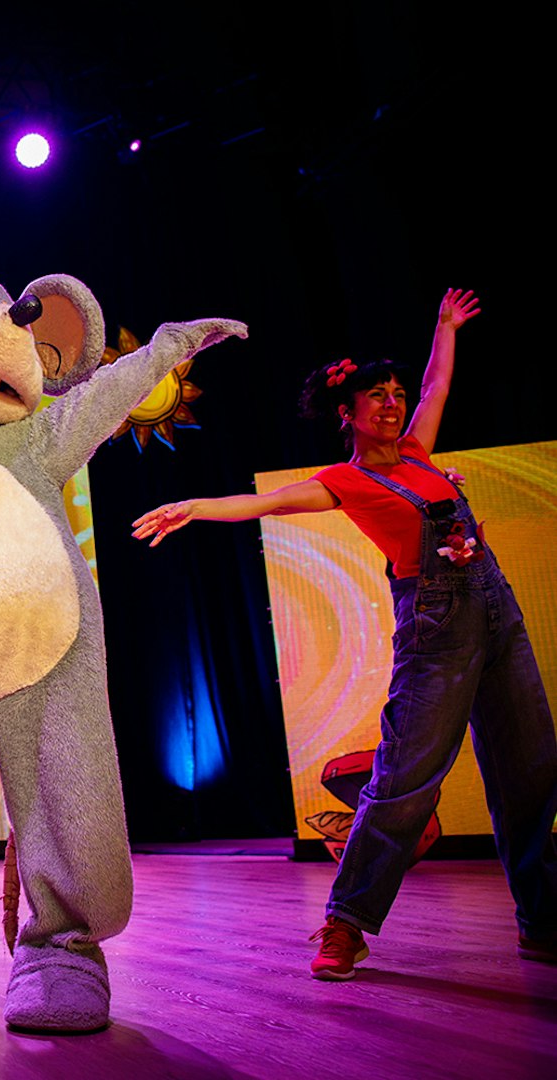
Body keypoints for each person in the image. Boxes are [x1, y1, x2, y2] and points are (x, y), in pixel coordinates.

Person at [133, 288, 557, 979]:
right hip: (438, 630)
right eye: (376, 397)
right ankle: (345, 924)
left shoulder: (420, 451)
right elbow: (261, 503)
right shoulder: (346, 480)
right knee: (405, 781)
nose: (391, 403)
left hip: (498, 616)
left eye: (394, 393)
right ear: (348, 414)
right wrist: (193, 507)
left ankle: (543, 920)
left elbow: (436, 383)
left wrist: (445, 326)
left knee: (532, 772)